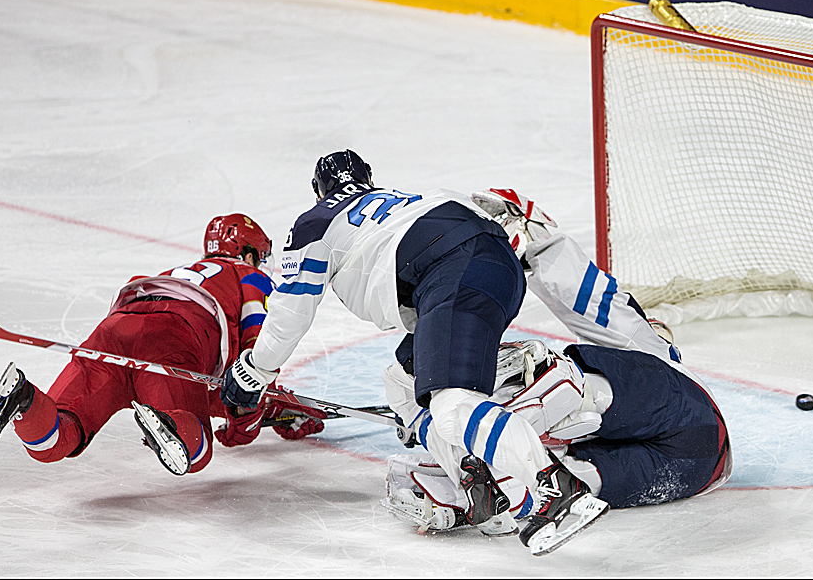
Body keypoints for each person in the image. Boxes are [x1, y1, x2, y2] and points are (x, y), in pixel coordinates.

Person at [221, 151, 598, 545]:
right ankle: (478, 486)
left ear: (319, 190)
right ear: (368, 179)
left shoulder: (315, 222)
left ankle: (557, 489)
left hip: (455, 273)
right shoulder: (404, 200)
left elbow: (290, 313)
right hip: (492, 266)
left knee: (453, 406)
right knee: (402, 383)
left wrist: (255, 371)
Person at [380, 190, 732, 554]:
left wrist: (531, 235)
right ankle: (479, 485)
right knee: (551, 470)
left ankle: (465, 438)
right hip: (696, 468)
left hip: (691, 420)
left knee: (533, 389)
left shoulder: (654, 353)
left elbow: (588, 296)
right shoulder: (653, 360)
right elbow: (587, 297)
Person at [0, 213, 327, 476]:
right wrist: (245, 424)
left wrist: (279, 410)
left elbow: (213, 389)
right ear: (248, 253)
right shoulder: (249, 275)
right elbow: (256, 353)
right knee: (196, 451)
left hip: (113, 332)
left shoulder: (179, 272)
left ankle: (22, 398)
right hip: (174, 336)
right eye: (259, 257)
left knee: (59, 439)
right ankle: (168, 423)